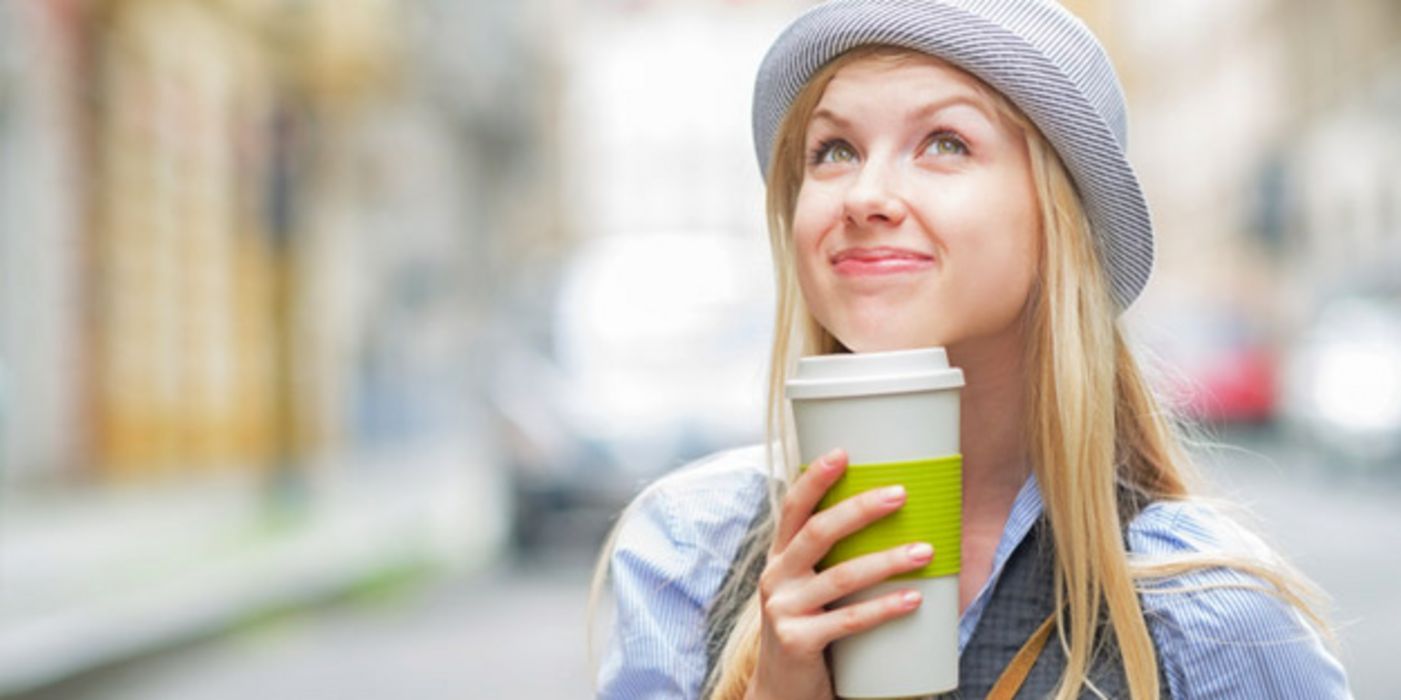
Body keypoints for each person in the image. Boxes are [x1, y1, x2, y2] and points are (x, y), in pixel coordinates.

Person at [588, 1, 1352, 698]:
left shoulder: (1205, 608)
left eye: (944, 142)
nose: (862, 196)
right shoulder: (688, 551)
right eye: (832, 150)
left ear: (1058, 217)